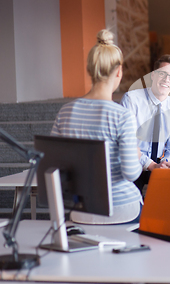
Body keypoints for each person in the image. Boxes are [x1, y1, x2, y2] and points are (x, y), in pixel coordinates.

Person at [51, 29, 142, 224]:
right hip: (122, 210)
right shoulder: (122, 116)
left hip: (80, 211)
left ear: (90, 71)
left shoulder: (65, 112)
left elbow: (54, 165)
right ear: (119, 71)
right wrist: (137, 154)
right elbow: (131, 173)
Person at [120, 54, 170, 194]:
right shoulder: (131, 100)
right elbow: (127, 143)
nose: (166, 80)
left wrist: (167, 164)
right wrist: (151, 165)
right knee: (133, 208)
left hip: (158, 166)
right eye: (162, 74)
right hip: (132, 164)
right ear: (153, 75)